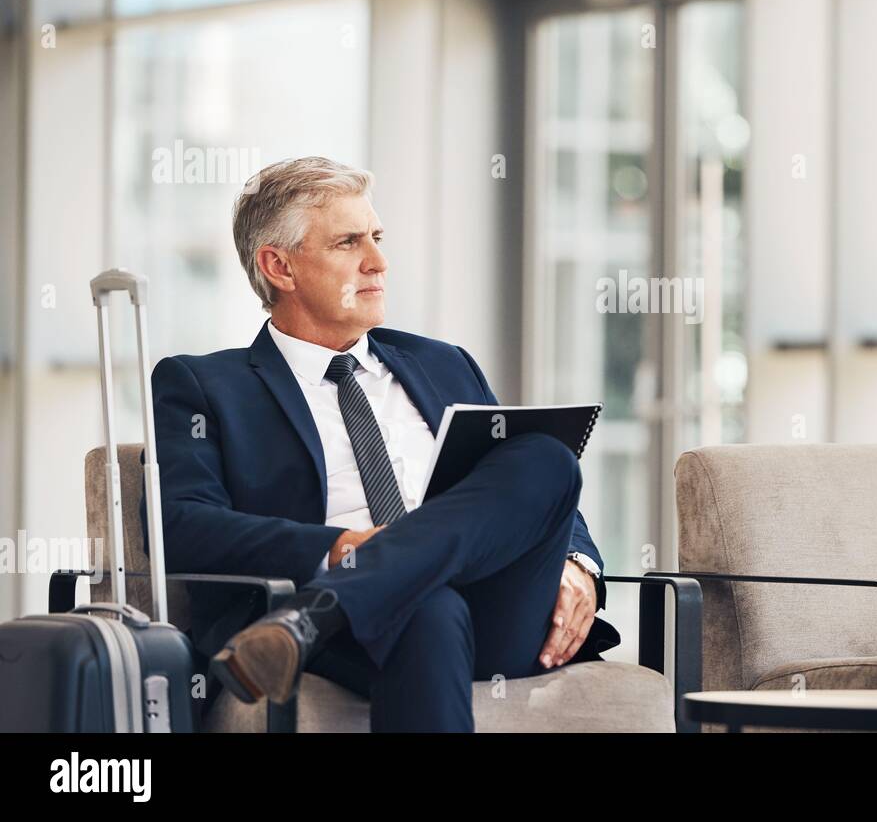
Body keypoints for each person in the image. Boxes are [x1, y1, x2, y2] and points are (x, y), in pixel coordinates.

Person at [142, 156, 619, 732]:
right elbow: (180, 523)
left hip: (490, 608)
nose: (378, 261)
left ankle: (312, 618)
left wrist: (578, 564)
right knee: (425, 604)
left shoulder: (442, 363)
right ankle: (345, 600)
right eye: (348, 243)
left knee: (544, 456)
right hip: (352, 626)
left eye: (377, 236)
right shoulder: (205, 385)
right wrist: (340, 547)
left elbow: (525, 498)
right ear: (279, 267)